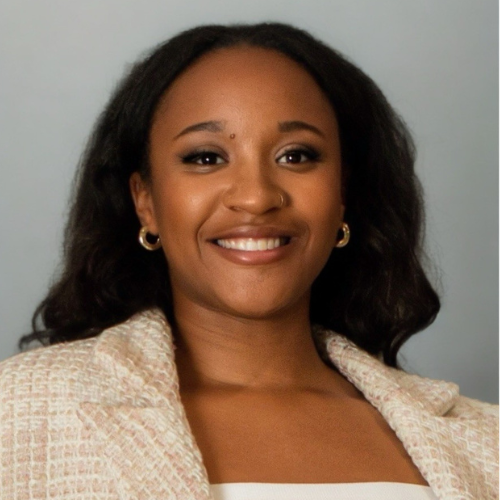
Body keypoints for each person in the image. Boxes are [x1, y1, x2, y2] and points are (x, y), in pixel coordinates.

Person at [0, 23, 497, 500]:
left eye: (296, 155)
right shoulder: (20, 414)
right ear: (144, 200)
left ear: (342, 193)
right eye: (206, 158)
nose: (256, 197)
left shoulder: (485, 441)